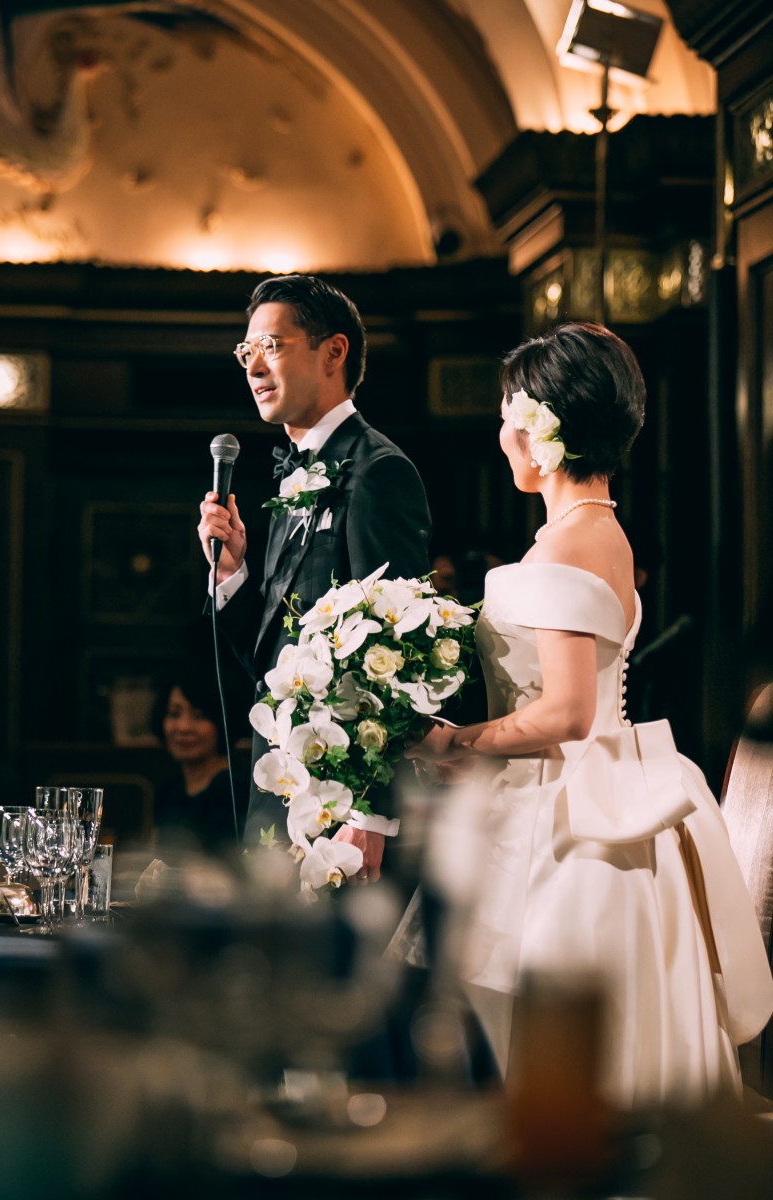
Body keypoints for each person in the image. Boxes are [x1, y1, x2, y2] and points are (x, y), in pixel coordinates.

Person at [404, 321, 773, 1109]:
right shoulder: (601, 532)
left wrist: (455, 739)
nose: (500, 434)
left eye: (506, 414)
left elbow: (569, 712)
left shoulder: (568, 545)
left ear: (540, 428)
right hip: (594, 795)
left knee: (551, 1054)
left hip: (559, 822)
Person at [198, 274, 431, 881]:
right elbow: (271, 656)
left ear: (334, 351)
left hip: (342, 809)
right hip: (280, 789)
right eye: (247, 352)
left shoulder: (377, 471)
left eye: (271, 346)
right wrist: (233, 573)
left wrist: (372, 816)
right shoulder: (295, 476)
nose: (254, 367)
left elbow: (400, 651)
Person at [151, 659, 246, 855]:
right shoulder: (168, 791)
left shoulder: (236, 791)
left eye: (199, 716)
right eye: (174, 714)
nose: (183, 727)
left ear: (223, 721)